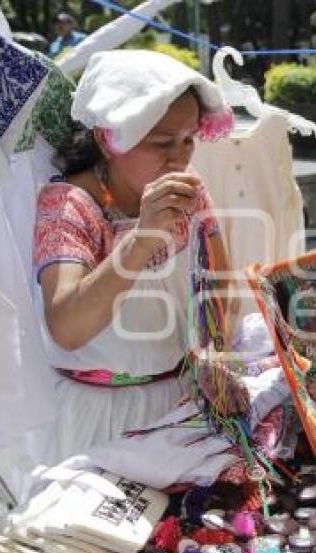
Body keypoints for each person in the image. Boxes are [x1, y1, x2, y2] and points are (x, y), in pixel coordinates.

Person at [32, 49, 235, 463]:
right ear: (108, 141)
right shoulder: (69, 204)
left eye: (188, 140)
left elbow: (217, 284)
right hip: (97, 420)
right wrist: (142, 240)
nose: (179, 158)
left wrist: (213, 355)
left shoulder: (189, 189)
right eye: (162, 143)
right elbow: (67, 327)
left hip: (179, 405)